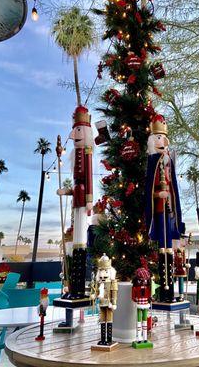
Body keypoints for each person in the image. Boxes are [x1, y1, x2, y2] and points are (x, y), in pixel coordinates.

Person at [145, 114, 185, 303]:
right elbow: (149, 189)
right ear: (153, 140)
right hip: (159, 211)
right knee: (162, 248)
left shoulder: (169, 161)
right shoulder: (152, 161)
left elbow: (174, 187)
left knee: (169, 248)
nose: (164, 141)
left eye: (164, 137)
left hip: (170, 213)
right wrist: (157, 195)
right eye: (160, 137)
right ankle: (164, 288)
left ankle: (170, 290)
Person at [57, 105, 93, 300]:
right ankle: (74, 288)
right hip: (76, 197)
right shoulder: (74, 154)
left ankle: (78, 289)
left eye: (78, 130)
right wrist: (66, 191)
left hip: (83, 197)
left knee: (81, 237)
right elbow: (78, 179)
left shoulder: (87, 152)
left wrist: (89, 200)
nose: (73, 135)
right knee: (76, 234)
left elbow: (88, 178)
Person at [91, 254, 118, 350]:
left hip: (109, 304)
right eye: (101, 271)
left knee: (109, 319)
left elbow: (114, 292)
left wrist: (114, 303)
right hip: (101, 303)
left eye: (105, 271)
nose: (103, 274)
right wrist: (94, 295)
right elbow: (97, 291)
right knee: (102, 320)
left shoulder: (112, 282)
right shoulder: (99, 283)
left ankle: (109, 339)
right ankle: (103, 338)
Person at [131, 266, 153, 348]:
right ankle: (139, 338)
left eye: (145, 280)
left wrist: (150, 298)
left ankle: (145, 337)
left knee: (144, 321)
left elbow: (149, 295)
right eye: (141, 280)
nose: (143, 282)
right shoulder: (135, 288)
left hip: (145, 304)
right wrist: (135, 299)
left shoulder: (148, 288)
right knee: (139, 321)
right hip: (139, 304)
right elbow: (133, 296)